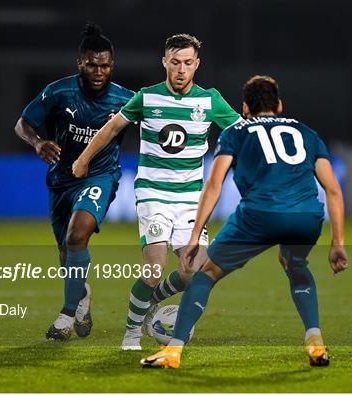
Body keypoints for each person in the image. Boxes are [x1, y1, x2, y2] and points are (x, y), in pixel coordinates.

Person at [141, 75, 349, 368]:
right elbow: (333, 189)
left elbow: (214, 185)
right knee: (295, 265)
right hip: (306, 216)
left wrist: (194, 235)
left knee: (206, 272)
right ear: (279, 105)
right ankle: (315, 339)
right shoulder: (307, 132)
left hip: (259, 215)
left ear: (244, 107)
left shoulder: (236, 131)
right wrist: (337, 242)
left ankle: (172, 351)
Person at [72, 33, 242, 350]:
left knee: (194, 273)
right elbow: (111, 128)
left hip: (191, 200)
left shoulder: (210, 101)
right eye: (175, 62)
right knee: (152, 269)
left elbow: (243, 133)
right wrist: (83, 160)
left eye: (188, 63)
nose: (181, 70)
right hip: (153, 195)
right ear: (164, 62)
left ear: (197, 64)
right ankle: (132, 333)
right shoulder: (147, 98)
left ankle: (153, 302)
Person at [14, 23, 134, 341]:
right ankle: (81, 297)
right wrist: (38, 142)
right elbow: (23, 123)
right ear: (80, 62)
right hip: (61, 181)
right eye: (92, 64)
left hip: (99, 176)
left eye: (105, 65)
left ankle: (66, 316)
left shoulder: (125, 99)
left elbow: (159, 122)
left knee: (77, 235)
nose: (99, 71)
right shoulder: (59, 92)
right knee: (66, 253)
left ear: (112, 65)